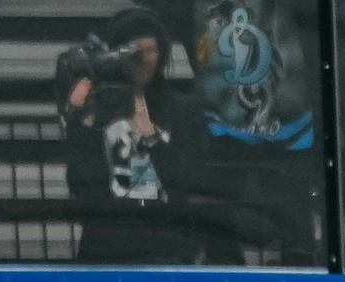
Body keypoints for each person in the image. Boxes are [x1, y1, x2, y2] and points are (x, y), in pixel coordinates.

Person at [57, 7, 205, 264]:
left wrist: (150, 134)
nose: (143, 60)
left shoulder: (182, 109)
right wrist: (79, 122)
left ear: (163, 54)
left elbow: (184, 183)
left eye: (151, 50)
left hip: (168, 245)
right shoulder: (97, 108)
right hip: (107, 247)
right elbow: (82, 185)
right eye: (134, 51)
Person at [193, 0, 323, 261]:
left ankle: (299, 275)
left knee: (295, 225)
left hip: (290, 127)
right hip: (221, 127)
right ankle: (224, 281)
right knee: (220, 224)